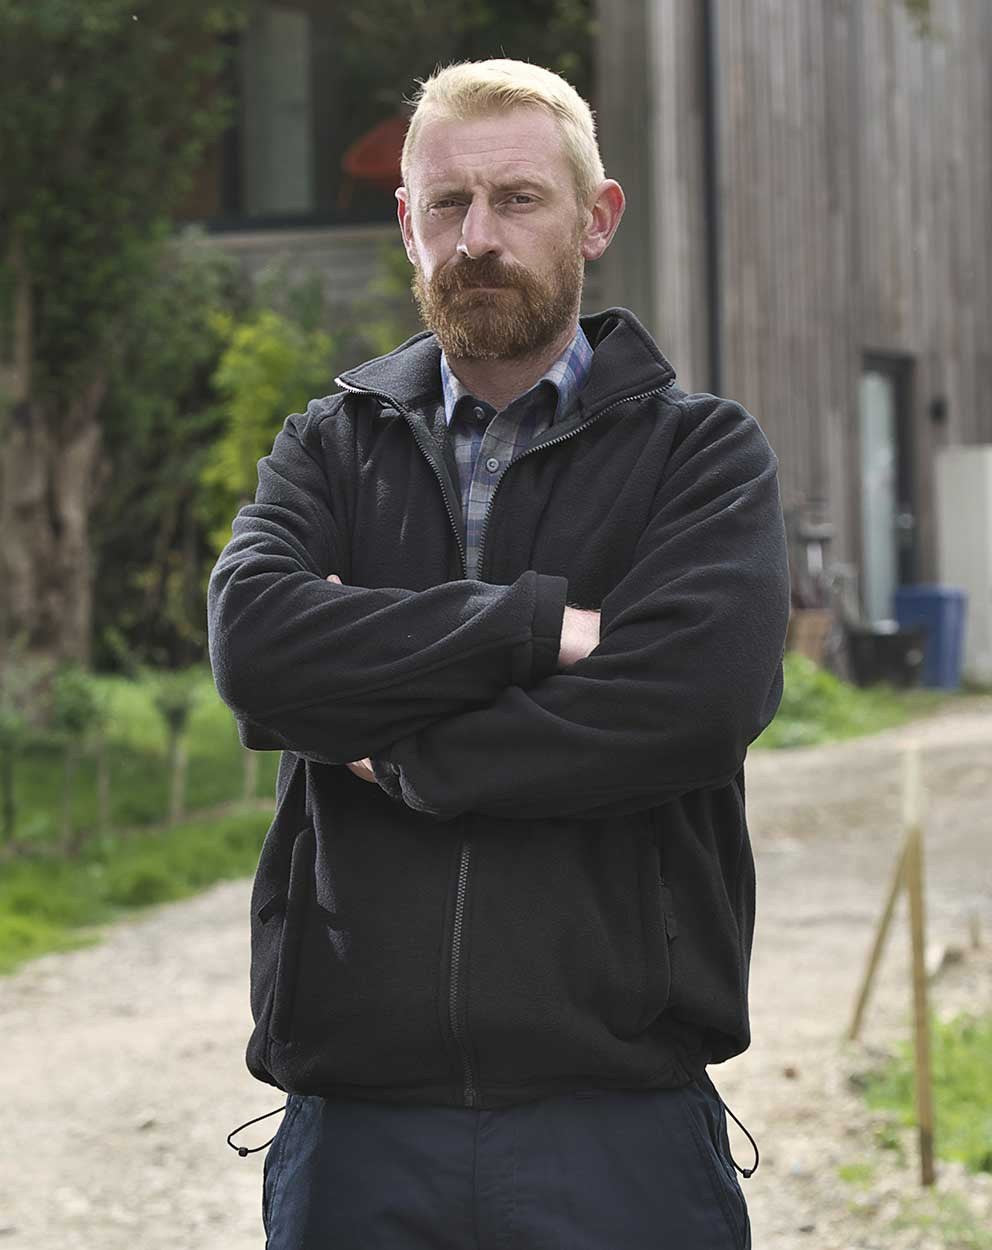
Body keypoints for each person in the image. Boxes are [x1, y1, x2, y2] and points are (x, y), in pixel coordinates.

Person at [209, 56, 789, 1250]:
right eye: (447, 204)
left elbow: (686, 702)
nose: (479, 236)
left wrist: (401, 749)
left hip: (618, 1121)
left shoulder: (701, 455)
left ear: (596, 216)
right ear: (408, 227)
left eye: (518, 199)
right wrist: (533, 629)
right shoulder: (327, 446)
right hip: (359, 1132)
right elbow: (259, 647)